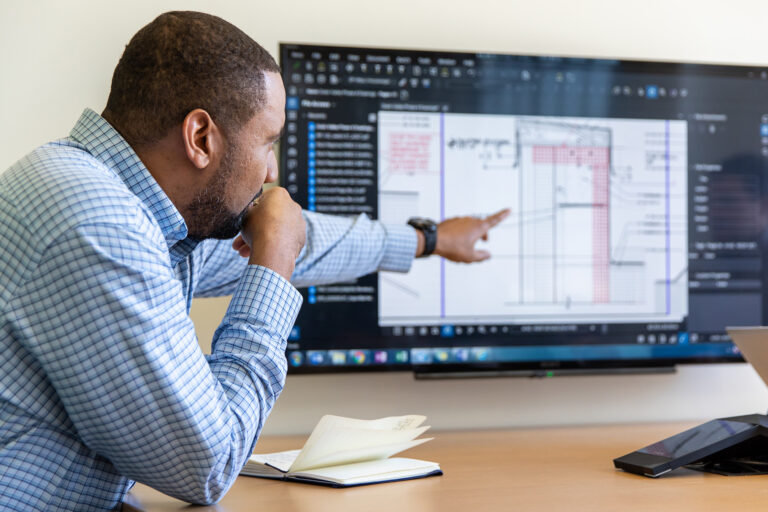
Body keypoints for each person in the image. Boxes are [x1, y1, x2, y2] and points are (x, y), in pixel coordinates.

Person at [0, 11, 508, 511]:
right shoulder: (101, 229)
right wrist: (272, 265)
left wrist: (428, 239)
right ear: (201, 138)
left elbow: (307, 238)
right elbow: (207, 466)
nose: (272, 171)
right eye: (268, 142)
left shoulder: (107, 193)